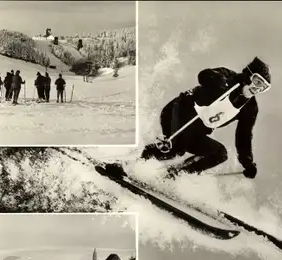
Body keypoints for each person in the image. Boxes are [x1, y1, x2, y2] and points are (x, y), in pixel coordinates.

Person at [105, 56, 272, 180]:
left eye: (263, 88)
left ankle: (174, 175)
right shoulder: (228, 77)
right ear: (248, 76)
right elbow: (204, 75)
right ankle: (125, 165)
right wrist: (216, 79)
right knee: (173, 149)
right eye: (257, 82)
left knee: (219, 153)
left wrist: (247, 162)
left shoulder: (250, 108)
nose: (257, 89)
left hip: (197, 130)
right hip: (179, 111)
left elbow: (243, 136)